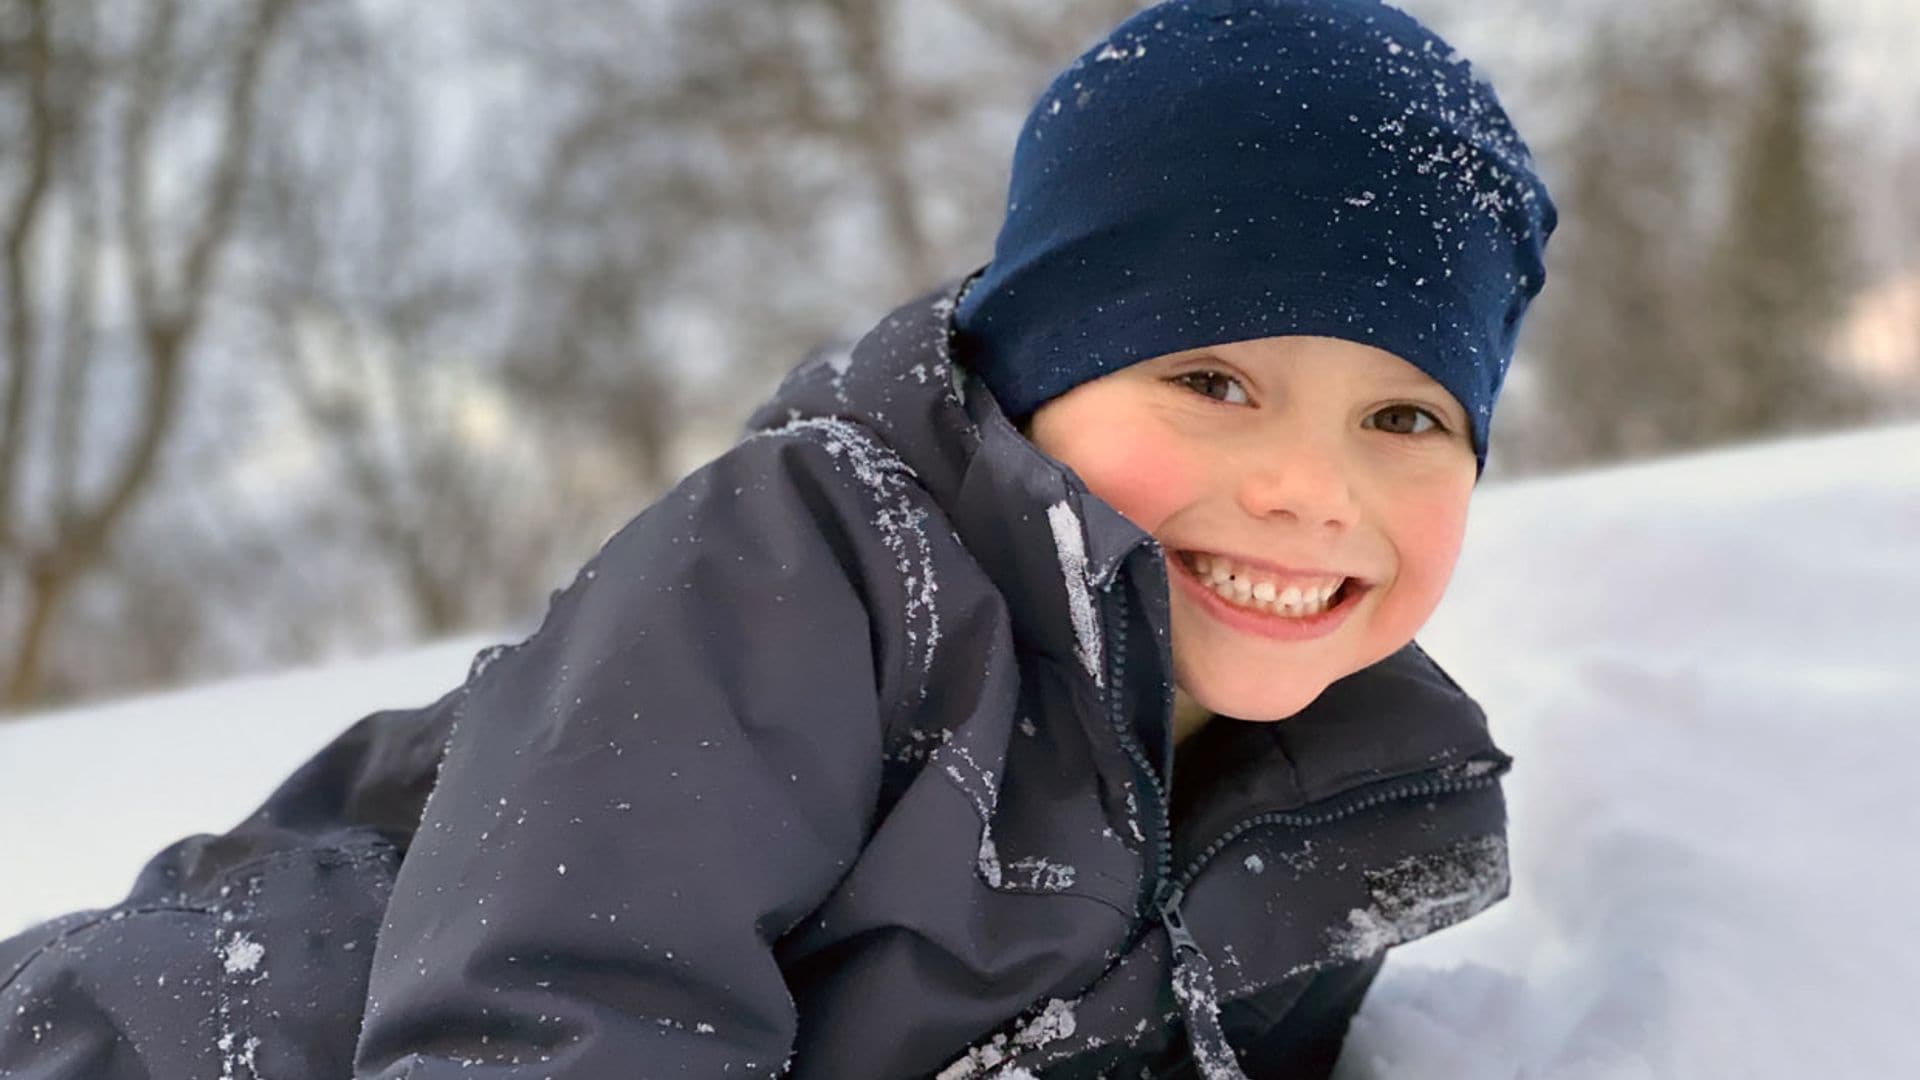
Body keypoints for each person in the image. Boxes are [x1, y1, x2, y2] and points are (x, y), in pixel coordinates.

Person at [0, 1, 1554, 1076]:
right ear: (1033, 381)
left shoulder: (1356, 804)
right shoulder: (806, 576)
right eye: (1214, 381)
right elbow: (567, 1011)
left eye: (1405, 420)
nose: (1307, 487)